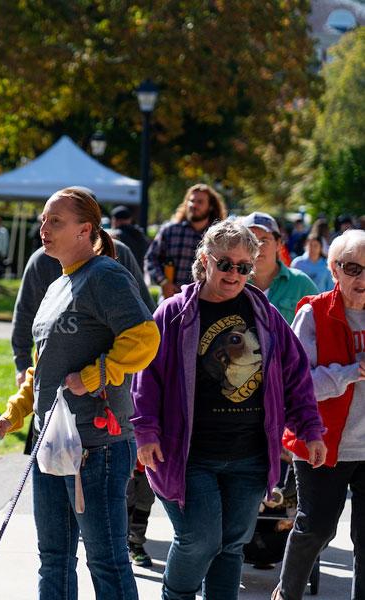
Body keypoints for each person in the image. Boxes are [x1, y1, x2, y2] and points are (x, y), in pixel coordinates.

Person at [131, 219, 326, 600]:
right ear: (205, 261)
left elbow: (296, 375)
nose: (234, 273)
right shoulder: (172, 314)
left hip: (249, 456)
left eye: (244, 266)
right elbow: (146, 379)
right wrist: (146, 432)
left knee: (232, 545)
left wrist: (310, 429)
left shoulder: (265, 314)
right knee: (198, 540)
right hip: (189, 456)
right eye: (225, 264)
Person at [0, 188, 160, 600]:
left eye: (55, 222)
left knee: (106, 559)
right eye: (43, 221)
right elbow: (44, 364)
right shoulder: (57, 284)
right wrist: (15, 413)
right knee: (54, 558)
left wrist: (100, 372)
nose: (43, 229)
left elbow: (145, 337)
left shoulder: (105, 275)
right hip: (50, 444)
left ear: (85, 230)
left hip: (96, 447)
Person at [274, 229, 365, 600]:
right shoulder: (314, 313)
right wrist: (350, 372)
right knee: (317, 529)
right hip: (324, 443)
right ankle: (288, 594)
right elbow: (296, 384)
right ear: (334, 269)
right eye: (353, 268)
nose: (362, 279)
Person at [144, 183, 226, 300]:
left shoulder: (219, 236)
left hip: (204, 301)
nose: (194, 205)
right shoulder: (170, 230)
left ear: (211, 206)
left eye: (200, 202)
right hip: (171, 301)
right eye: (191, 201)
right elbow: (151, 258)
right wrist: (163, 282)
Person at [243, 212, 318, 324]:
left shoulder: (301, 284)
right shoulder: (232, 283)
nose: (257, 246)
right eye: (250, 240)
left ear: (279, 243)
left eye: (264, 241)